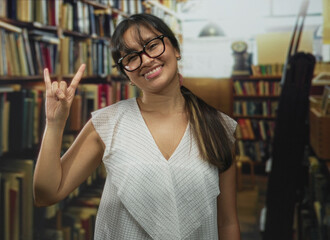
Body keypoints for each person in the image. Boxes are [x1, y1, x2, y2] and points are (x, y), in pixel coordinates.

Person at [33, 13, 240, 240]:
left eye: (152, 45)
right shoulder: (108, 123)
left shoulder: (219, 127)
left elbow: (227, 222)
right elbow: (46, 194)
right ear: (127, 76)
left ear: (176, 49)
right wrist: (54, 124)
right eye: (131, 57)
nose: (146, 60)